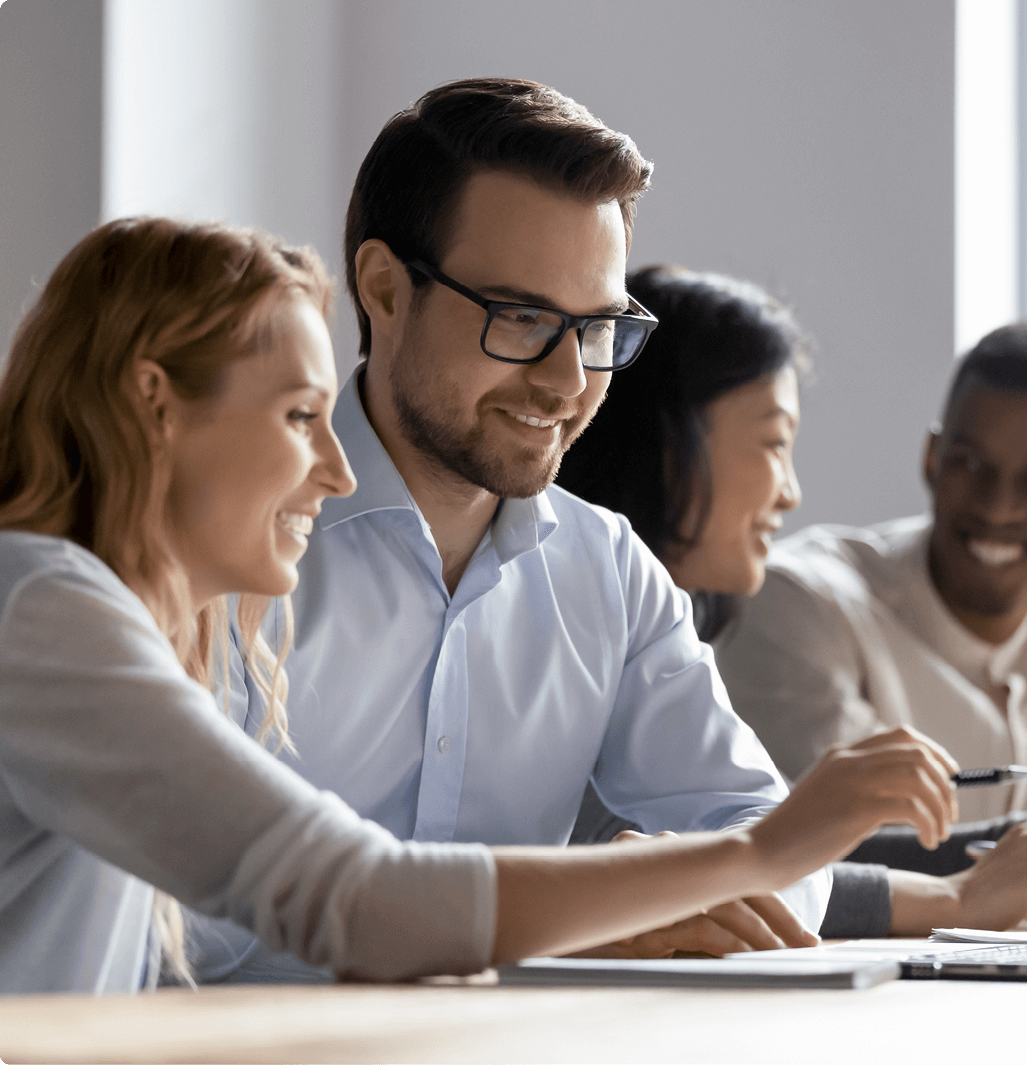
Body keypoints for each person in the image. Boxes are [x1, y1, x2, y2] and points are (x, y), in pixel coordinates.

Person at [0, 215, 969, 995]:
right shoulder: (39, 608)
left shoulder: (110, 616)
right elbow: (350, 897)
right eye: (301, 418)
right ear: (154, 403)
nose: (335, 468)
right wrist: (761, 849)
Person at [188, 77, 980, 981]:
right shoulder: (228, 548)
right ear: (384, 289)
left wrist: (649, 891)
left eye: (596, 326)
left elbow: (768, 843)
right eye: (520, 318)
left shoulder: (606, 569)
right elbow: (182, 931)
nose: (568, 381)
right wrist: (570, 913)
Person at [558, 266, 1027, 938]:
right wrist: (956, 897)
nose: (790, 491)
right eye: (775, 443)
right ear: (672, 443)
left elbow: (742, 853)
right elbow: (715, 867)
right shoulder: (569, 615)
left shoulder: (665, 625)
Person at [714, 321, 1027, 831]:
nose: (998, 505)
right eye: (968, 462)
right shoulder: (797, 603)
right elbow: (838, 852)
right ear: (932, 459)